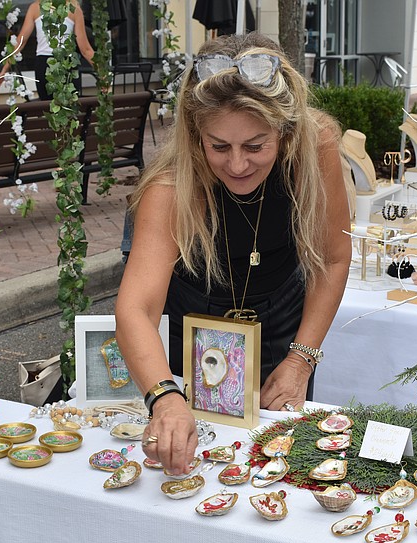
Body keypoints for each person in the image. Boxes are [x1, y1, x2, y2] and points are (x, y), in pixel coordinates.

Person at [115, 34, 352, 474]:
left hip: (282, 317)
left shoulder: (315, 147)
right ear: (194, 135)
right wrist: (165, 397)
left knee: (283, 462)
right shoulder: (170, 184)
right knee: (192, 458)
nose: (238, 164)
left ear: (285, 131)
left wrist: (301, 360)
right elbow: (136, 308)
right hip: (191, 322)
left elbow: (333, 258)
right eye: (219, 146)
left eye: (256, 146)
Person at [0, 0, 94, 100]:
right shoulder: (73, 8)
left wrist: (4, 70)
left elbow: (20, 42)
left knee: (49, 107)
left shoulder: (36, 8)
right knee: (67, 108)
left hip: (46, 64)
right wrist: (103, 74)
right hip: (62, 64)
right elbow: (86, 50)